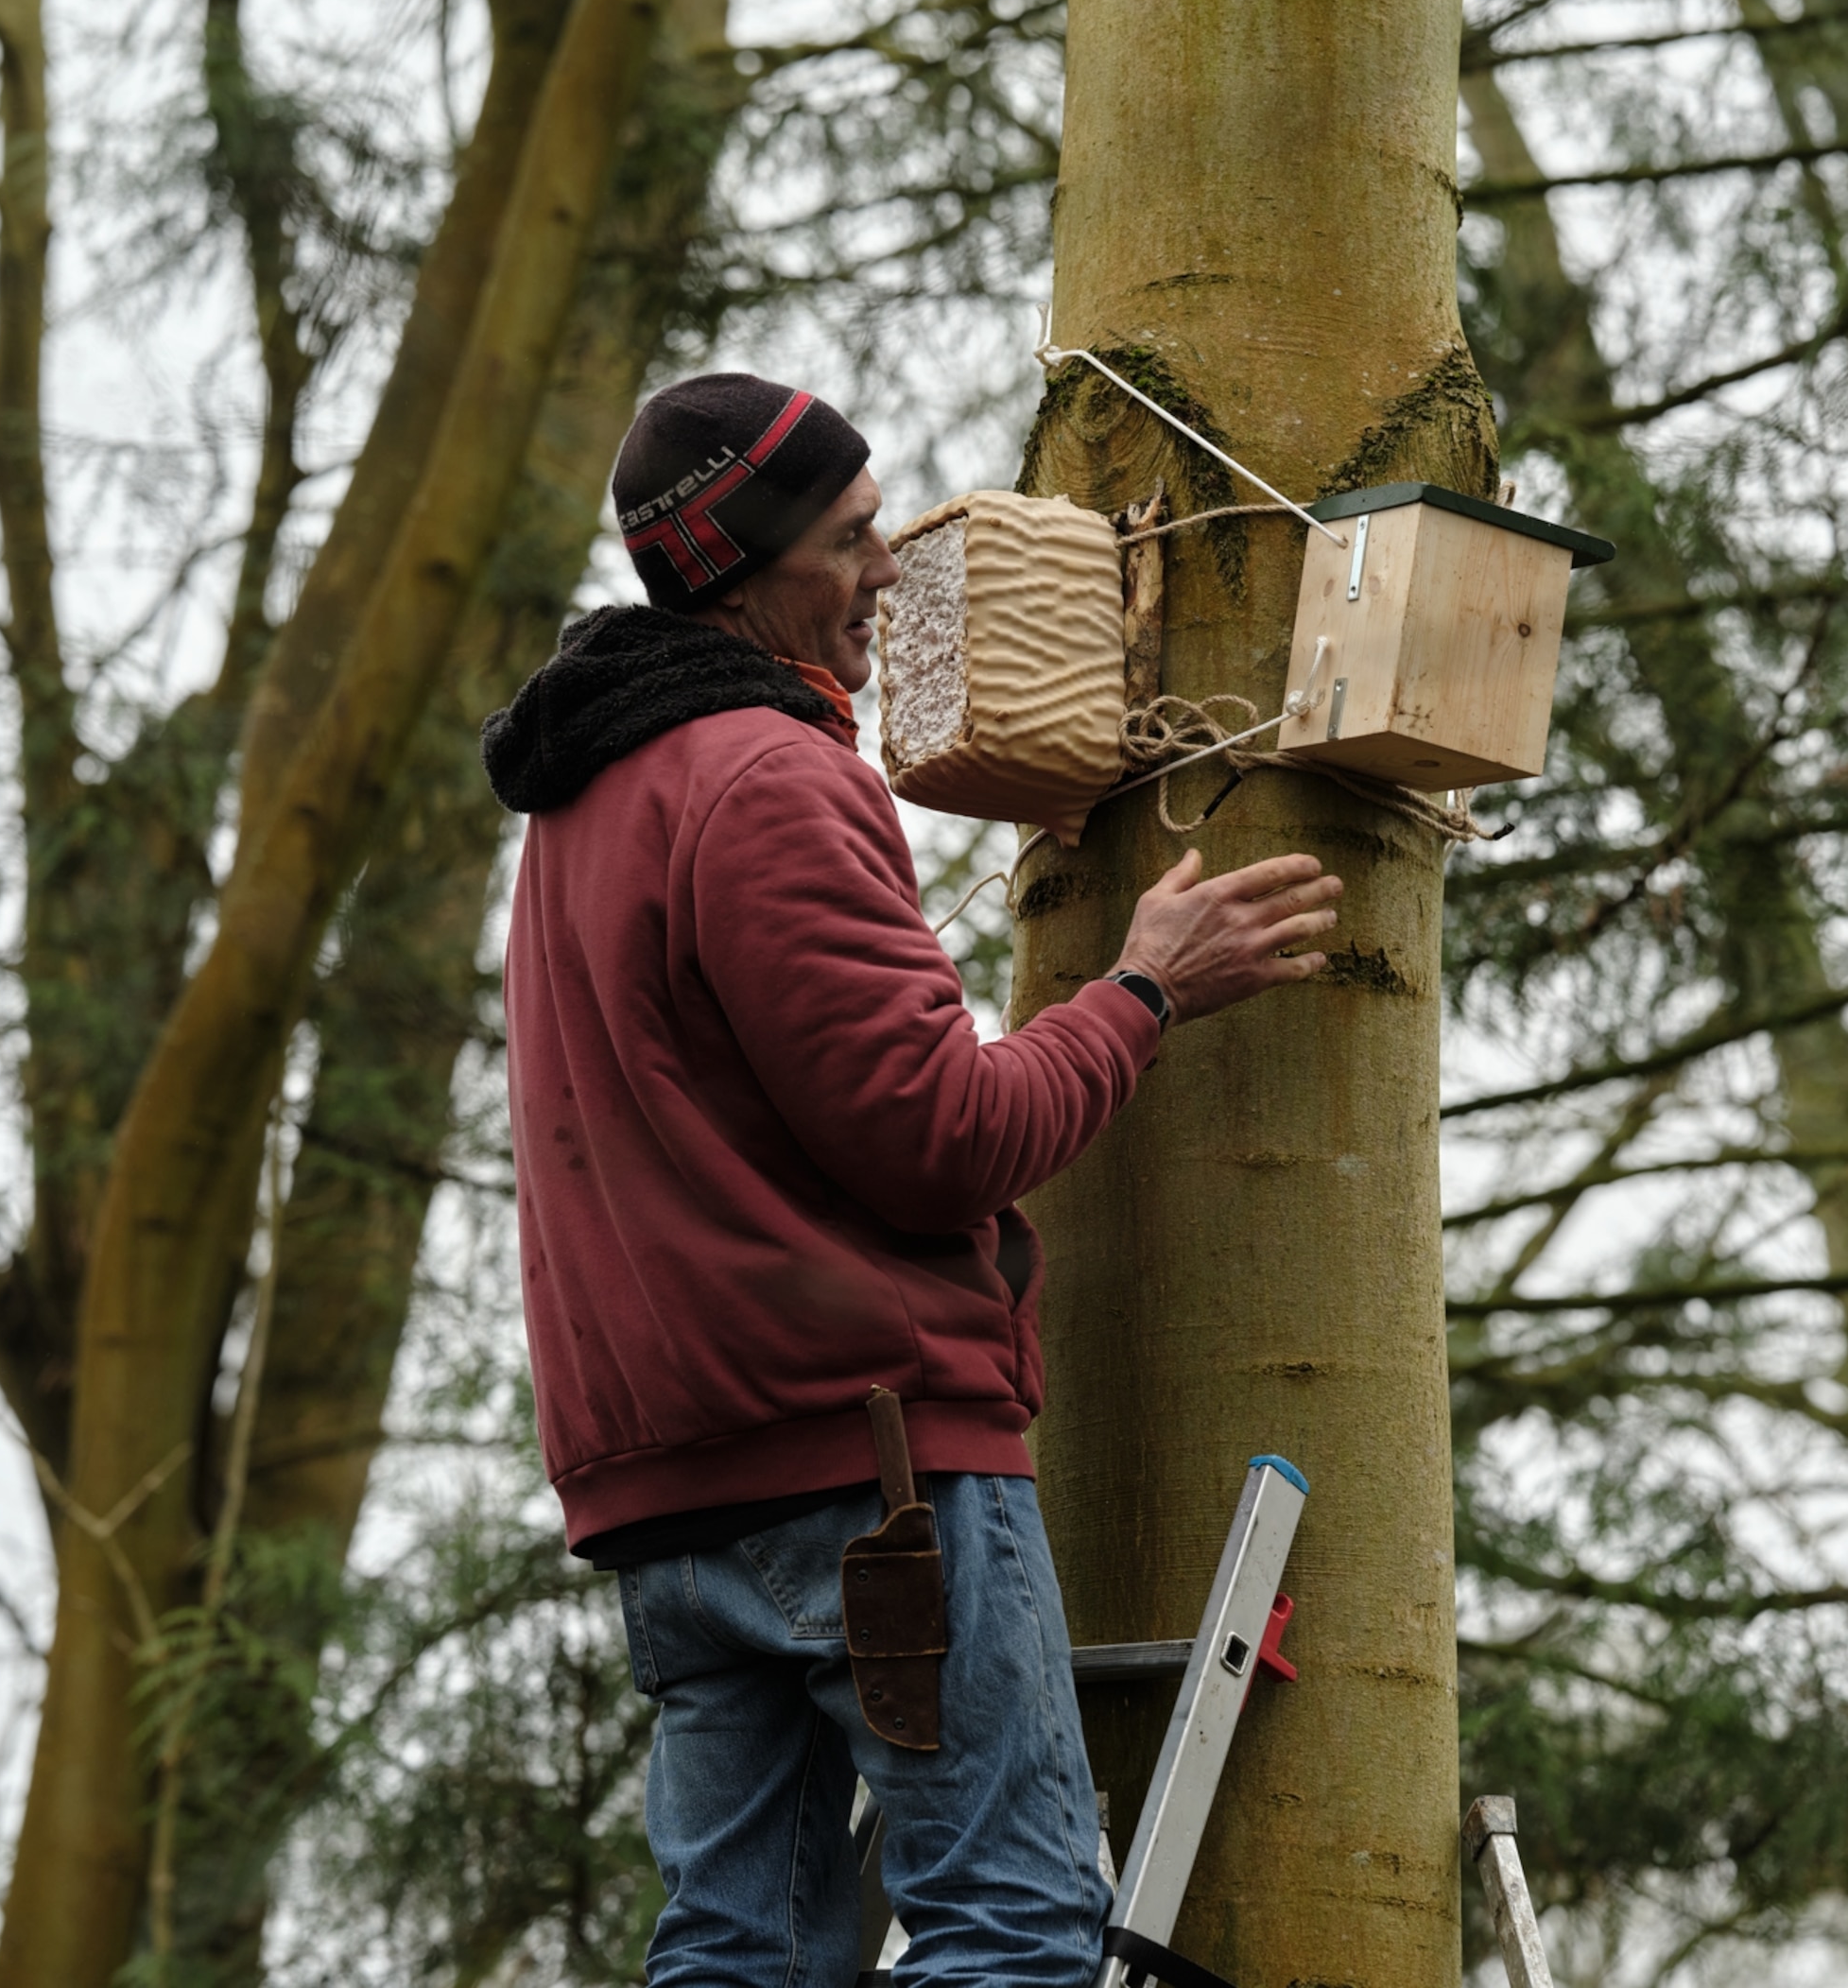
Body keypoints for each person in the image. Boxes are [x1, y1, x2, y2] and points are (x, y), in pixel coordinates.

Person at [481, 372, 1342, 1988]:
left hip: (670, 1496)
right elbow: (940, 1134)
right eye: (856, 535)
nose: (889, 572)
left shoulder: (587, 805)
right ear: (746, 565)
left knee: (739, 1953)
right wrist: (1142, 991)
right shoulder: (766, 779)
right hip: (863, 1472)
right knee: (1011, 1928)